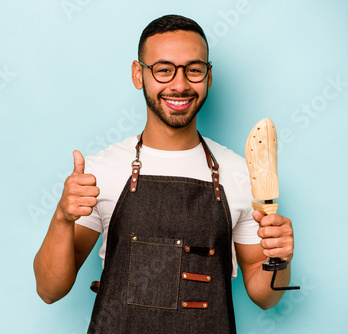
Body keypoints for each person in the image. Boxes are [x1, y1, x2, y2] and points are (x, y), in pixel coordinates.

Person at [33, 14, 295, 334]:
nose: (180, 84)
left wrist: (280, 260)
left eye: (194, 69)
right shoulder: (101, 171)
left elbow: (265, 297)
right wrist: (61, 217)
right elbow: (49, 290)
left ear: (208, 76)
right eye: (164, 69)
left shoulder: (241, 173)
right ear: (138, 74)